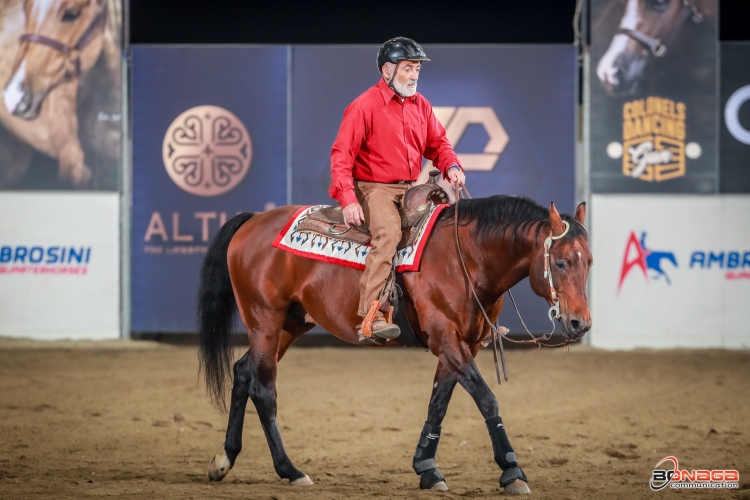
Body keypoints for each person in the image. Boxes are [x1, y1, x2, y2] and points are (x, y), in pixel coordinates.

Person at [329, 37, 466, 343]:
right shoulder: (364, 105)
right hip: (373, 188)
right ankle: (371, 316)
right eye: (408, 68)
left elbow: (438, 144)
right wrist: (348, 198)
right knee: (388, 233)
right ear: (387, 70)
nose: (415, 75)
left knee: (445, 230)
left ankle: (458, 313)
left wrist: (452, 166)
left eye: (417, 68)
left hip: (409, 188)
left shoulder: (421, 105)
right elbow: (341, 155)